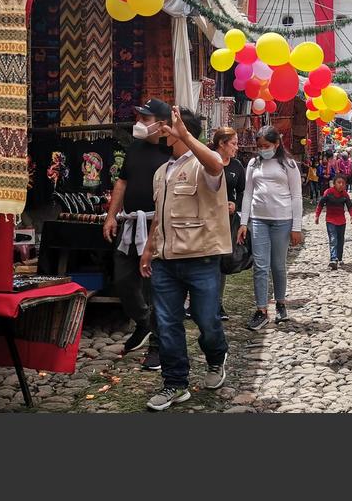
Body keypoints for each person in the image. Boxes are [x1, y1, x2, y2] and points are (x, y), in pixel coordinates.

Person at [139, 106, 230, 411]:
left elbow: (217, 165)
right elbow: (159, 215)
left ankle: (217, 357)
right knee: (167, 324)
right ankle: (175, 383)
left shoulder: (203, 165)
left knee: (207, 321)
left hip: (201, 258)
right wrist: (149, 249)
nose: (161, 131)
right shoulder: (161, 172)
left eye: (168, 126)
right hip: (166, 260)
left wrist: (186, 135)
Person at [103, 98, 172, 371]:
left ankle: (157, 345)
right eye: (140, 118)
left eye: (146, 119)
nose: (140, 123)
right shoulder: (135, 147)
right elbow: (122, 181)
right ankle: (143, 322)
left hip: (160, 225)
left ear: (162, 124)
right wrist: (111, 215)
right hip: (131, 224)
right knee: (122, 279)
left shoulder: (173, 151)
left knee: (157, 289)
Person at [238, 125, 304, 330]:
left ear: (276, 144)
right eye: (259, 146)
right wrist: (243, 222)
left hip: (282, 220)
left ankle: (281, 303)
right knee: (260, 266)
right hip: (258, 219)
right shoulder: (253, 164)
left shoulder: (288, 165)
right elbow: (248, 193)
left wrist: (296, 226)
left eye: (266, 145)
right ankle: (261, 309)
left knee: (278, 265)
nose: (262, 149)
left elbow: (296, 196)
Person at [208, 127, 245, 322]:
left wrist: (235, 205)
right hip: (206, 220)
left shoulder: (237, 166)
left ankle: (218, 303)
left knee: (222, 260)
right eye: (234, 143)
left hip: (227, 221)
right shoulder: (206, 161)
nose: (236, 148)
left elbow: (242, 192)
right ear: (221, 143)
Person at [315, 174, 352, 270]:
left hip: (341, 221)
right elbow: (320, 205)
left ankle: (339, 258)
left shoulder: (345, 194)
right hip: (330, 220)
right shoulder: (328, 193)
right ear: (334, 184)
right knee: (333, 239)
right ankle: (333, 259)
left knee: (340, 240)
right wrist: (317, 216)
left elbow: (350, 206)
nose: (341, 185)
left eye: (343, 183)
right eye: (339, 182)